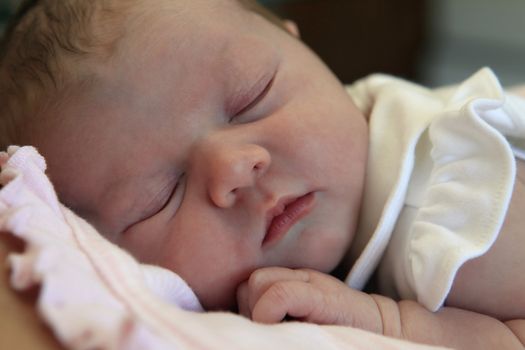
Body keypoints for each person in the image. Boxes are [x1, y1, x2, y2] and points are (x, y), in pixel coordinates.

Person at [0, 0, 524, 348]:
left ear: (304, 48)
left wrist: (395, 325)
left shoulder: (456, 203)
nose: (235, 167)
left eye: (251, 96)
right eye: (160, 197)